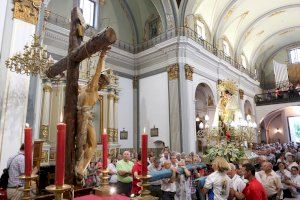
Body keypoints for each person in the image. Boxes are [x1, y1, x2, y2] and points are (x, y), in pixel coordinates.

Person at [75, 48, 110, 177]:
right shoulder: (92, 89)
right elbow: (97, 72)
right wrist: (102, 57)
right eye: (103, 83)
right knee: (92, 144)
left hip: (82, 116)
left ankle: (81, 167)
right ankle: (80, 168)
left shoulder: (85, 89)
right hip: (84, 117)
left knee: (88, 144)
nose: (102, 85)